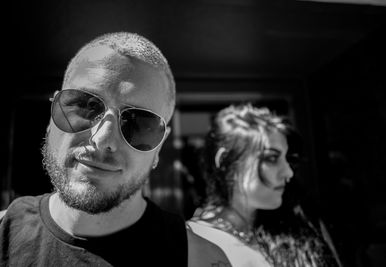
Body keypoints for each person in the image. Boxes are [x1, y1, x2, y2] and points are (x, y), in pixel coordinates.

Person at [0, 32, 230, 266]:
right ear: (52, 118)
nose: (103, 139)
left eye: (138, 123)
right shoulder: (3, 236)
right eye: (84, 106)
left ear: (159, 147)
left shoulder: (200, 260)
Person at [187, 103, 342, 267]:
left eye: (286, 159)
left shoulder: (297, 224)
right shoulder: (195, 239)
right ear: (226, 160)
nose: (288, 172)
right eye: (271, 158)